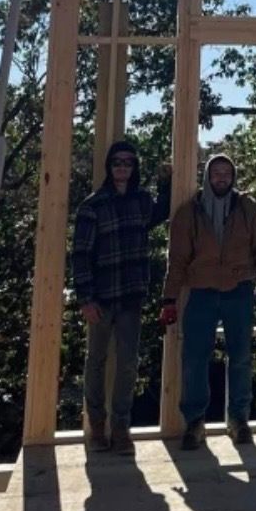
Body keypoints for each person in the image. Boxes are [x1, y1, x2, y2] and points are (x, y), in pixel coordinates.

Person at [160, 151, 256, 449]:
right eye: (216, 173)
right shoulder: (190, 212)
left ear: (233, 177)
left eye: (227, 173)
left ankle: (238, 420)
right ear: (207, 176)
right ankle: (195, 422)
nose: (222, 178)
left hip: (239, 289)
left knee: (241, 356)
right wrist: (169, 299)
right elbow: (177, 260)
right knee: (194, 358)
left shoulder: (247, 207)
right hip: (201, 291)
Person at [72, 138, 172, 454]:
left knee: (128, 364)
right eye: (117, 162)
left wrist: (167, 182)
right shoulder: (93, 205)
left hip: (131, 296)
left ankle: (120, 429)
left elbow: (162, 211)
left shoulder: (141, 201)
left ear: (134, 167)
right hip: (101, 298)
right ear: (109, 166)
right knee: (96, 362)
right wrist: (85, 298)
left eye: (128, 162)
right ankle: (96, 427)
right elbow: (80, 255)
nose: (122, 168)